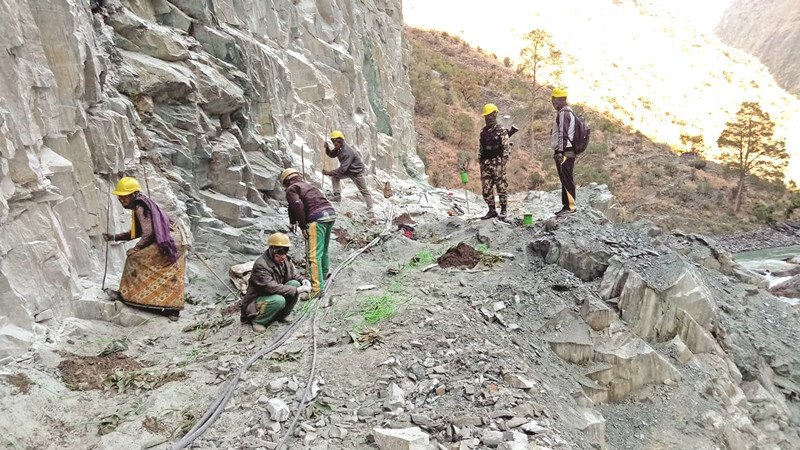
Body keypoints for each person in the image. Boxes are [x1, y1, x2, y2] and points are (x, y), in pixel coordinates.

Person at [102, 177, 187, 321]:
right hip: (176, 238)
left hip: (171, 240)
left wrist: (136, 248)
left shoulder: (140, 207)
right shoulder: (142, 204)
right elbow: (138, 233)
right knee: (169, 272)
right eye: (119, 197)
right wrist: (114, 237)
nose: (121, 200)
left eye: (124, 196)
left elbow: (148, 233)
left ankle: (126, 294)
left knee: (134, 258)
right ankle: (172, 309)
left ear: (133, 195)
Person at [241, 233, 312, 332]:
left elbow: (294, 274)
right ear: (272, 250)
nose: (283, 256)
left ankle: (283, 314)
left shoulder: (285, 259)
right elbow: (271, 287)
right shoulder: (261, 265)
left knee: (295, 283)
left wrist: (303, 280)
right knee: (279, 300)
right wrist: (298, 290)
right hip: (257, 301)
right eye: (280, 252)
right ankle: (258, 321)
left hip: (272, 295)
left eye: (285, 251)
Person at [281, 168, 336, 295]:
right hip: (330, 214)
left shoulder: (292, 189)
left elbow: (298, 205)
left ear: (285, 181)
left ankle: (317, 289)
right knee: (324, 249)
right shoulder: (308, 186)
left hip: (317, 218)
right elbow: (293, 207)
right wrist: (293, 221)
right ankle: (324, 273)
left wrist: (303, 226)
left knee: (313, 255)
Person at [322, 130, 374, 216]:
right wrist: (327, 149)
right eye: (334, 143)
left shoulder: (347, 152)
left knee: (364, 191)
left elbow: (342, 169)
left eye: (336, 144)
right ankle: (337, 195)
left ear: (340, 141)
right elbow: (332, 155)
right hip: (348, 170)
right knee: (335, 177)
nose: (335, 146)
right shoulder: (338, 148)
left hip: (356, 172)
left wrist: (329, 172)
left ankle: (371, 210)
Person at [478, 103, 510, 219]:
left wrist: (502, 163)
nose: (488, 118)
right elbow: (481, 149)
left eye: (490, 115)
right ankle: (491, 210)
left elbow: (506, 148)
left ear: (495, 114)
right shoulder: (483, 132)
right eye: (486, 116)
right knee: (486, 188)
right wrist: (481, 163)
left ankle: (503, 209)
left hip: (498, 163)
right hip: (486, 164)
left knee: (501, 187)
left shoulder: (501, 130)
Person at [550, 87, 577, 216]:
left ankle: (570, 207)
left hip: (565, 152)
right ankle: (566, 206)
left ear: (561, 100)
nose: (553, 102)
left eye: (554, 99)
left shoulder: (563, 113)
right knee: (565, 178)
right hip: (567, 151)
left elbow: (563, 134)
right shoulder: (568, 112)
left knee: (566, 179)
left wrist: (560, 152)